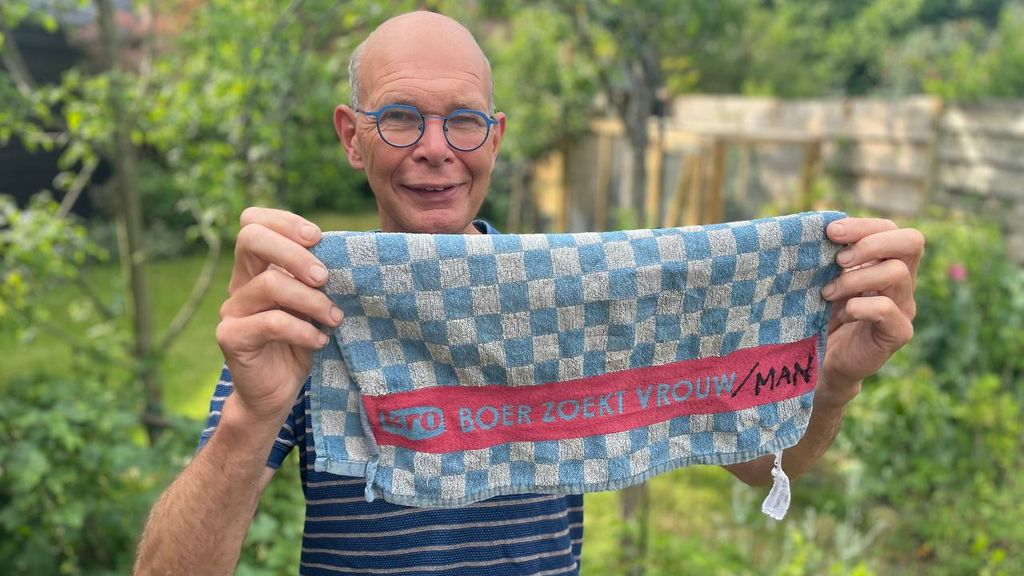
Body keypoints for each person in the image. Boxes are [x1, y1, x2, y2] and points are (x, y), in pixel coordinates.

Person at [133, 10, 925, 576]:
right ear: (352, 136)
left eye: (464, 121)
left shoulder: (571, 305)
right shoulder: (307, 314)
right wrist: (250, 417)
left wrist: (835, 380)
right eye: (400, 118)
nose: (437, 149)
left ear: (496, 137)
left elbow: (760, 463)